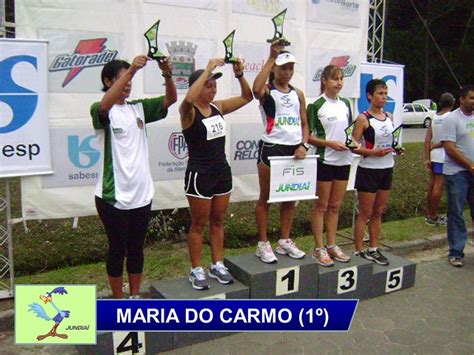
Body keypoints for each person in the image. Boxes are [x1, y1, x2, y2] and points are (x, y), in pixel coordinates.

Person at [90, 55, 177, 298]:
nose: (128, 83)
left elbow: (171, 99)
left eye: (129, 78)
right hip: (112, 197)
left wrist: (167, 73)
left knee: (137, 249)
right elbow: (104, 106)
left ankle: (135, 296)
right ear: (108, 82)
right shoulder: (100, 109)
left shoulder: (138, 108)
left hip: (142, 195)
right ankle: (119, 300)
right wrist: (133, 71)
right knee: (117, 249)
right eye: (121, 78)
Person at [180, 58, 253, 289]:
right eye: (208, 85)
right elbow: (188, 99)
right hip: (199, 173)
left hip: (221, 171)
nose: (213, 90)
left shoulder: (218, 107)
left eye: (214, 86)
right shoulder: (188, 112)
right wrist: (208, 69)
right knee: (199, 223)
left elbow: (247, 97)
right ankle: (195, 269)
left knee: (218, 221)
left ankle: (217, 264)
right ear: (197, 86)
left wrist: (240, 75)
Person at [253, 42, 309, 263]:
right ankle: (263, 243)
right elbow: (256, 90)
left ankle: (284, 240)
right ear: (274, 69)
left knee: (290, 198)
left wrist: (304, 145)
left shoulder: (298, 93)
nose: (287, 73)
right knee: (265, 198)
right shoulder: (268, 90)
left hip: (293, 150)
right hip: (271, 147)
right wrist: (270, 57)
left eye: (290, 68)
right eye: (283, 68)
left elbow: (305, 124)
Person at [307, 65, 353, 267]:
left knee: (335, 206)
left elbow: (350, 132)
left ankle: (332, 244)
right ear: (324, 80)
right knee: (321, 206)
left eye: (341, 78)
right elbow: (308, 136)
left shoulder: (346, 104)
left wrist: (353, 144)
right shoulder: (316, 105)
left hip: (344, 161)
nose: (339, 82)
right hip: (325, 160)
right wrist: (329, 144)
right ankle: (318, 247)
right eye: (335, 78)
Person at [352, 79, 401, 266]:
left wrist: (397, 149)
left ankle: (373, 248)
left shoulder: (389, 116)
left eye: (385, 93)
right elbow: (353, 146)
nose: (384, 97)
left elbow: (392, 142)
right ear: (370, 96)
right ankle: (358, 250)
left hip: (386, 168)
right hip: (369, 170)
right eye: (380, 93)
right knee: (365, 213)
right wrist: (373, 152)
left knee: (378, 212)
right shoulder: (363, 118)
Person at [440, 84, 474, 267]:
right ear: (462, 99)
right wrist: (469, 165)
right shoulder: (451, 119)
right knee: (457, 212)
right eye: (471, 98)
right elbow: (449, 147)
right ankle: (456, 251)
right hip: (457, 173)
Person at [424, 92, 455, 226]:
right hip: (444, 155)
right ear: (453, 103)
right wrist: (438, 144)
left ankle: (429, 213)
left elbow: (427, 138)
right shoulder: (451, 117)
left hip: (434, 155)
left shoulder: (434, 116)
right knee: (438, 186)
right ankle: (434, 216)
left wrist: (427, 155)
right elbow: (450, 139)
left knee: (432, 184)